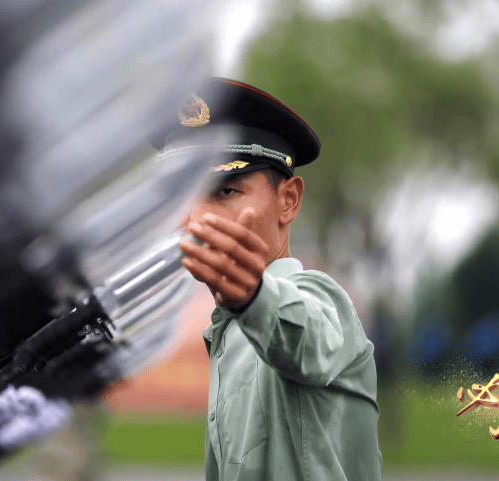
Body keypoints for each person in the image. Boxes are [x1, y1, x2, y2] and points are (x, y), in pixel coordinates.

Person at [157, 78, 382, 480]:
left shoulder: (319, 298)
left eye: (225, 191)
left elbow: (306, 338)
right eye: (185, 198)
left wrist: (252, 298)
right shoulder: (229, 328)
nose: (196, 220)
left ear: (288, 200)